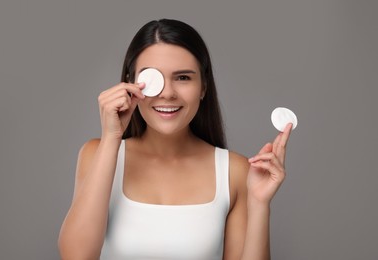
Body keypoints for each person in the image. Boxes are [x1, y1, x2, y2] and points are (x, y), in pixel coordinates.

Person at [58, 18, 292, 260]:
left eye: (183, 78)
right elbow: (76, 255)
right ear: (129, 83)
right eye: (152, 78)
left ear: (203, 87)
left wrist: (259, 205)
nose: (168, 93)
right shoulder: (97, 154)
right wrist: (111, 138)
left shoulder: (235, 171)